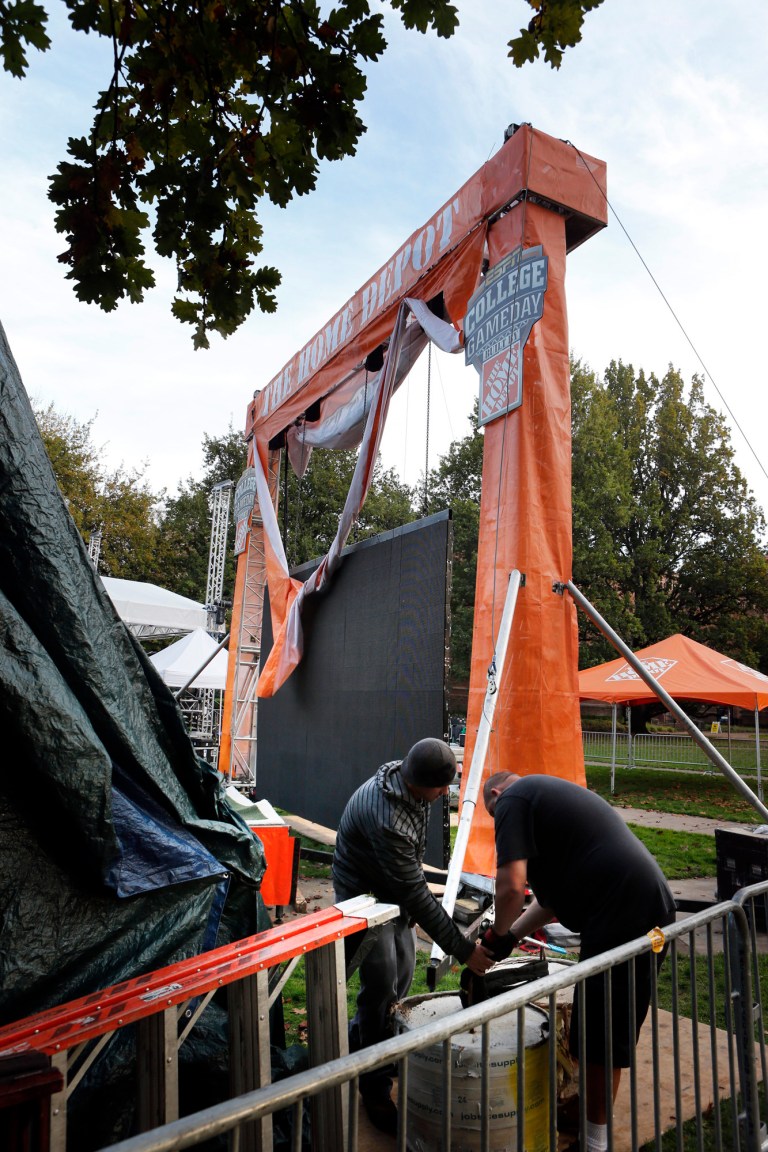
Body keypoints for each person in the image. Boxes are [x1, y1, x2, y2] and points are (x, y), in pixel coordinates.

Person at [481, 771, 676, 1152]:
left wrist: (492, 938)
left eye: (492, 812)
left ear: (496, 793)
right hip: (636, 909)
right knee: (595, 1029)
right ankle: (589, 1117)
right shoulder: (546, 812)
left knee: (603, 1034)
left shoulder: (513, 798)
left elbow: (510, 887)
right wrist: (510, 939)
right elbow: (549, 901)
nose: (496, 819)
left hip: (626, 913)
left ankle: (594, 1143)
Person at [332, 738, 492, 1135]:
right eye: (441, 788)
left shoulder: (406, 782)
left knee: (403, 973)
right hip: (364, 899)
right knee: (382, 980)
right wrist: (462, 949)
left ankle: (364, 1053)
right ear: (420, 781)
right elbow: (417, 895)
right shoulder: (387, 818)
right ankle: (374, 1088)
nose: (444, 794)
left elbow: (409, 884)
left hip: (391, 891)